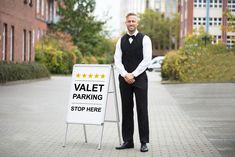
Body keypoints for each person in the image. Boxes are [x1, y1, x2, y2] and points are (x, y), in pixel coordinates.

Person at [114, 12, 152, 152]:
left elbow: (146, 60)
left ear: (137, 23)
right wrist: (125, 74)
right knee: (126, 109)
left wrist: (133, 74)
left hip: (140, 79)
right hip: (124, 79)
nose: (131, 23)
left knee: (142, 109)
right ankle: (128, 141)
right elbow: (117, 60)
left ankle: (143, 142)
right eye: (129, 21)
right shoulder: (120, 40)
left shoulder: (145, 39)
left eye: (133, 21)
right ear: (126, 23)